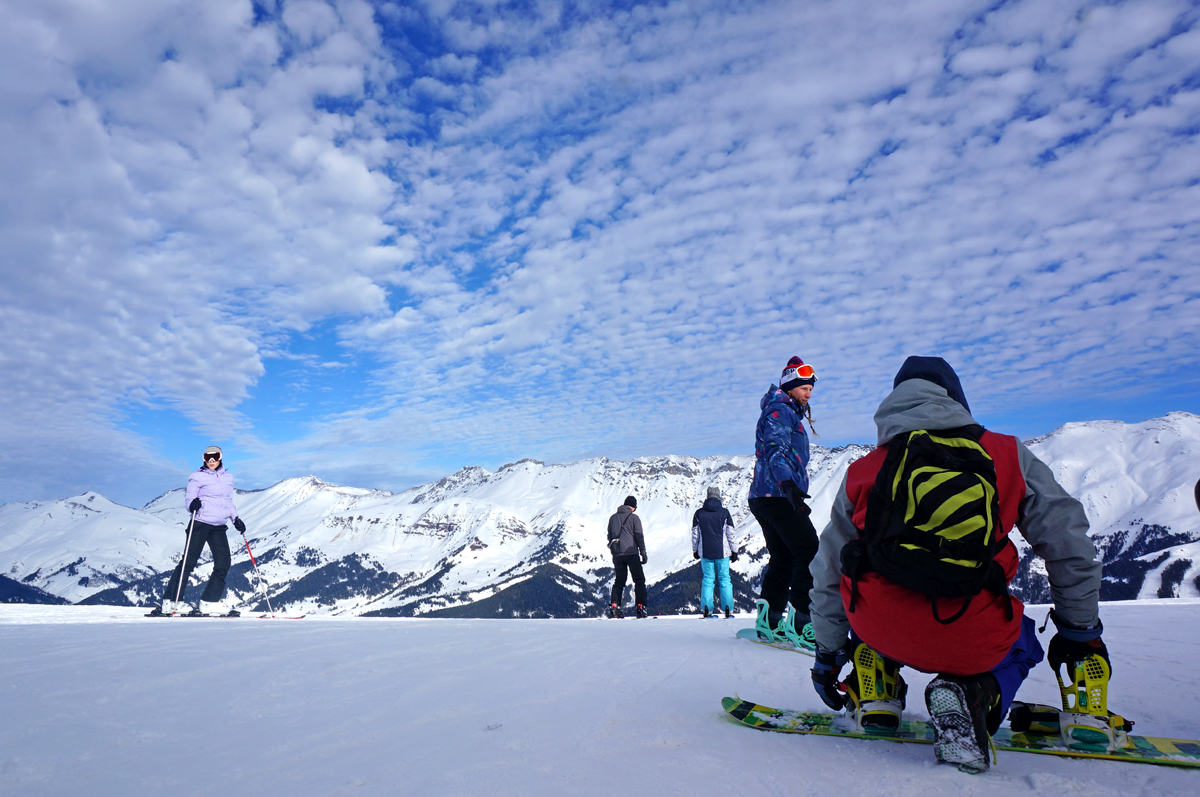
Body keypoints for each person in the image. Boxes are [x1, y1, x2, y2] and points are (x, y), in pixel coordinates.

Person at [807, 356, 1105, 773]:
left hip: (879, 629)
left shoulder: (864, 470)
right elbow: (1068, 544)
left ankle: (878, 691)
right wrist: (1079, 631)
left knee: (879, 586)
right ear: (956, 400)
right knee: (1024, 642)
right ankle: (977, 694)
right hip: (973, 635)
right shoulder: (1006, 454)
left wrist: (828, 652)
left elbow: (828, 568)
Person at [748, 356, 820, 646]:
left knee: (784, 557)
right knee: (810, 550)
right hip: (777, 494)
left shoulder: (783, 409)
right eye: (804, 387)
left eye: (811, 389)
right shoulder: (780, 410)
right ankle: (802, 625)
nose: (808, 393)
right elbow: (775, 449)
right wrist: (788, 484)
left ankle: (769, 622)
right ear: (790, 386)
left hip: (765, 496)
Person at [151, 446, 247, 617]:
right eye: (207, 457)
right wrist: (191, 505)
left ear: (220, 457)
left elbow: (228, 501)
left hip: (219, 526)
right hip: (200, 522)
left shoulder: (228, 478)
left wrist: (236, 518)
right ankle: (171, 602)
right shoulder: (197, 477)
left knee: (223, 563)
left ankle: (209, 603)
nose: (211, 460)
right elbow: (190, 499)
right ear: (204, 459)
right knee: (188, 562)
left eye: (215, 456)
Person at [692, 486, 739, 618]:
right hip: (722, 552)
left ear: (707, 497)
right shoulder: (725, 513)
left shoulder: (699, 513)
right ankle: (728, 609)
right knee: (724, 579)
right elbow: (731, 533)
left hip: (705, 552)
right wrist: (734, 550)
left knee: (708, 579)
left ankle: (707, 609)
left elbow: (695, 534)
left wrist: (695, 550)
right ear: (719, 497)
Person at [607, 495, 648, 618]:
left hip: (617, 554)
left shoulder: (613, 518)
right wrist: (643, 552)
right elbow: (639, 536)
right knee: (639, 580)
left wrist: (614, 550)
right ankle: (641, 607)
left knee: (619, 581)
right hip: (631, 553)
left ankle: (615, 606)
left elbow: (610, 536)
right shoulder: (634, 518)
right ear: (634, 507)